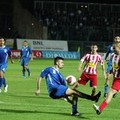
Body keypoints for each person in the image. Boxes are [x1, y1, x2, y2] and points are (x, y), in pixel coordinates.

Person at [35, 56, 101, 116]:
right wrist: (38, 89)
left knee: (75, 94)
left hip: (57, 91)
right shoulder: (49, 69)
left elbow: (65, 92)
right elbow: (40, 77)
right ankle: (92, 98)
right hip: (54, 89)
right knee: (74, 92)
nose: (63, 64)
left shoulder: (61, 76)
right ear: (57, 63)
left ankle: (74, 111)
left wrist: (69, 100)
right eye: (61, 62)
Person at [93, 42, 120, 115]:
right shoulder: (113, 56)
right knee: (112, 93)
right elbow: (115, 66)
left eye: (115, 48)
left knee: (111, 92)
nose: (113, 49)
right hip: (116, 78)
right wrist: (111, 71)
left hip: (119, 79)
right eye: (113, 48)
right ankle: (100, 108)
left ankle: (100, 108)